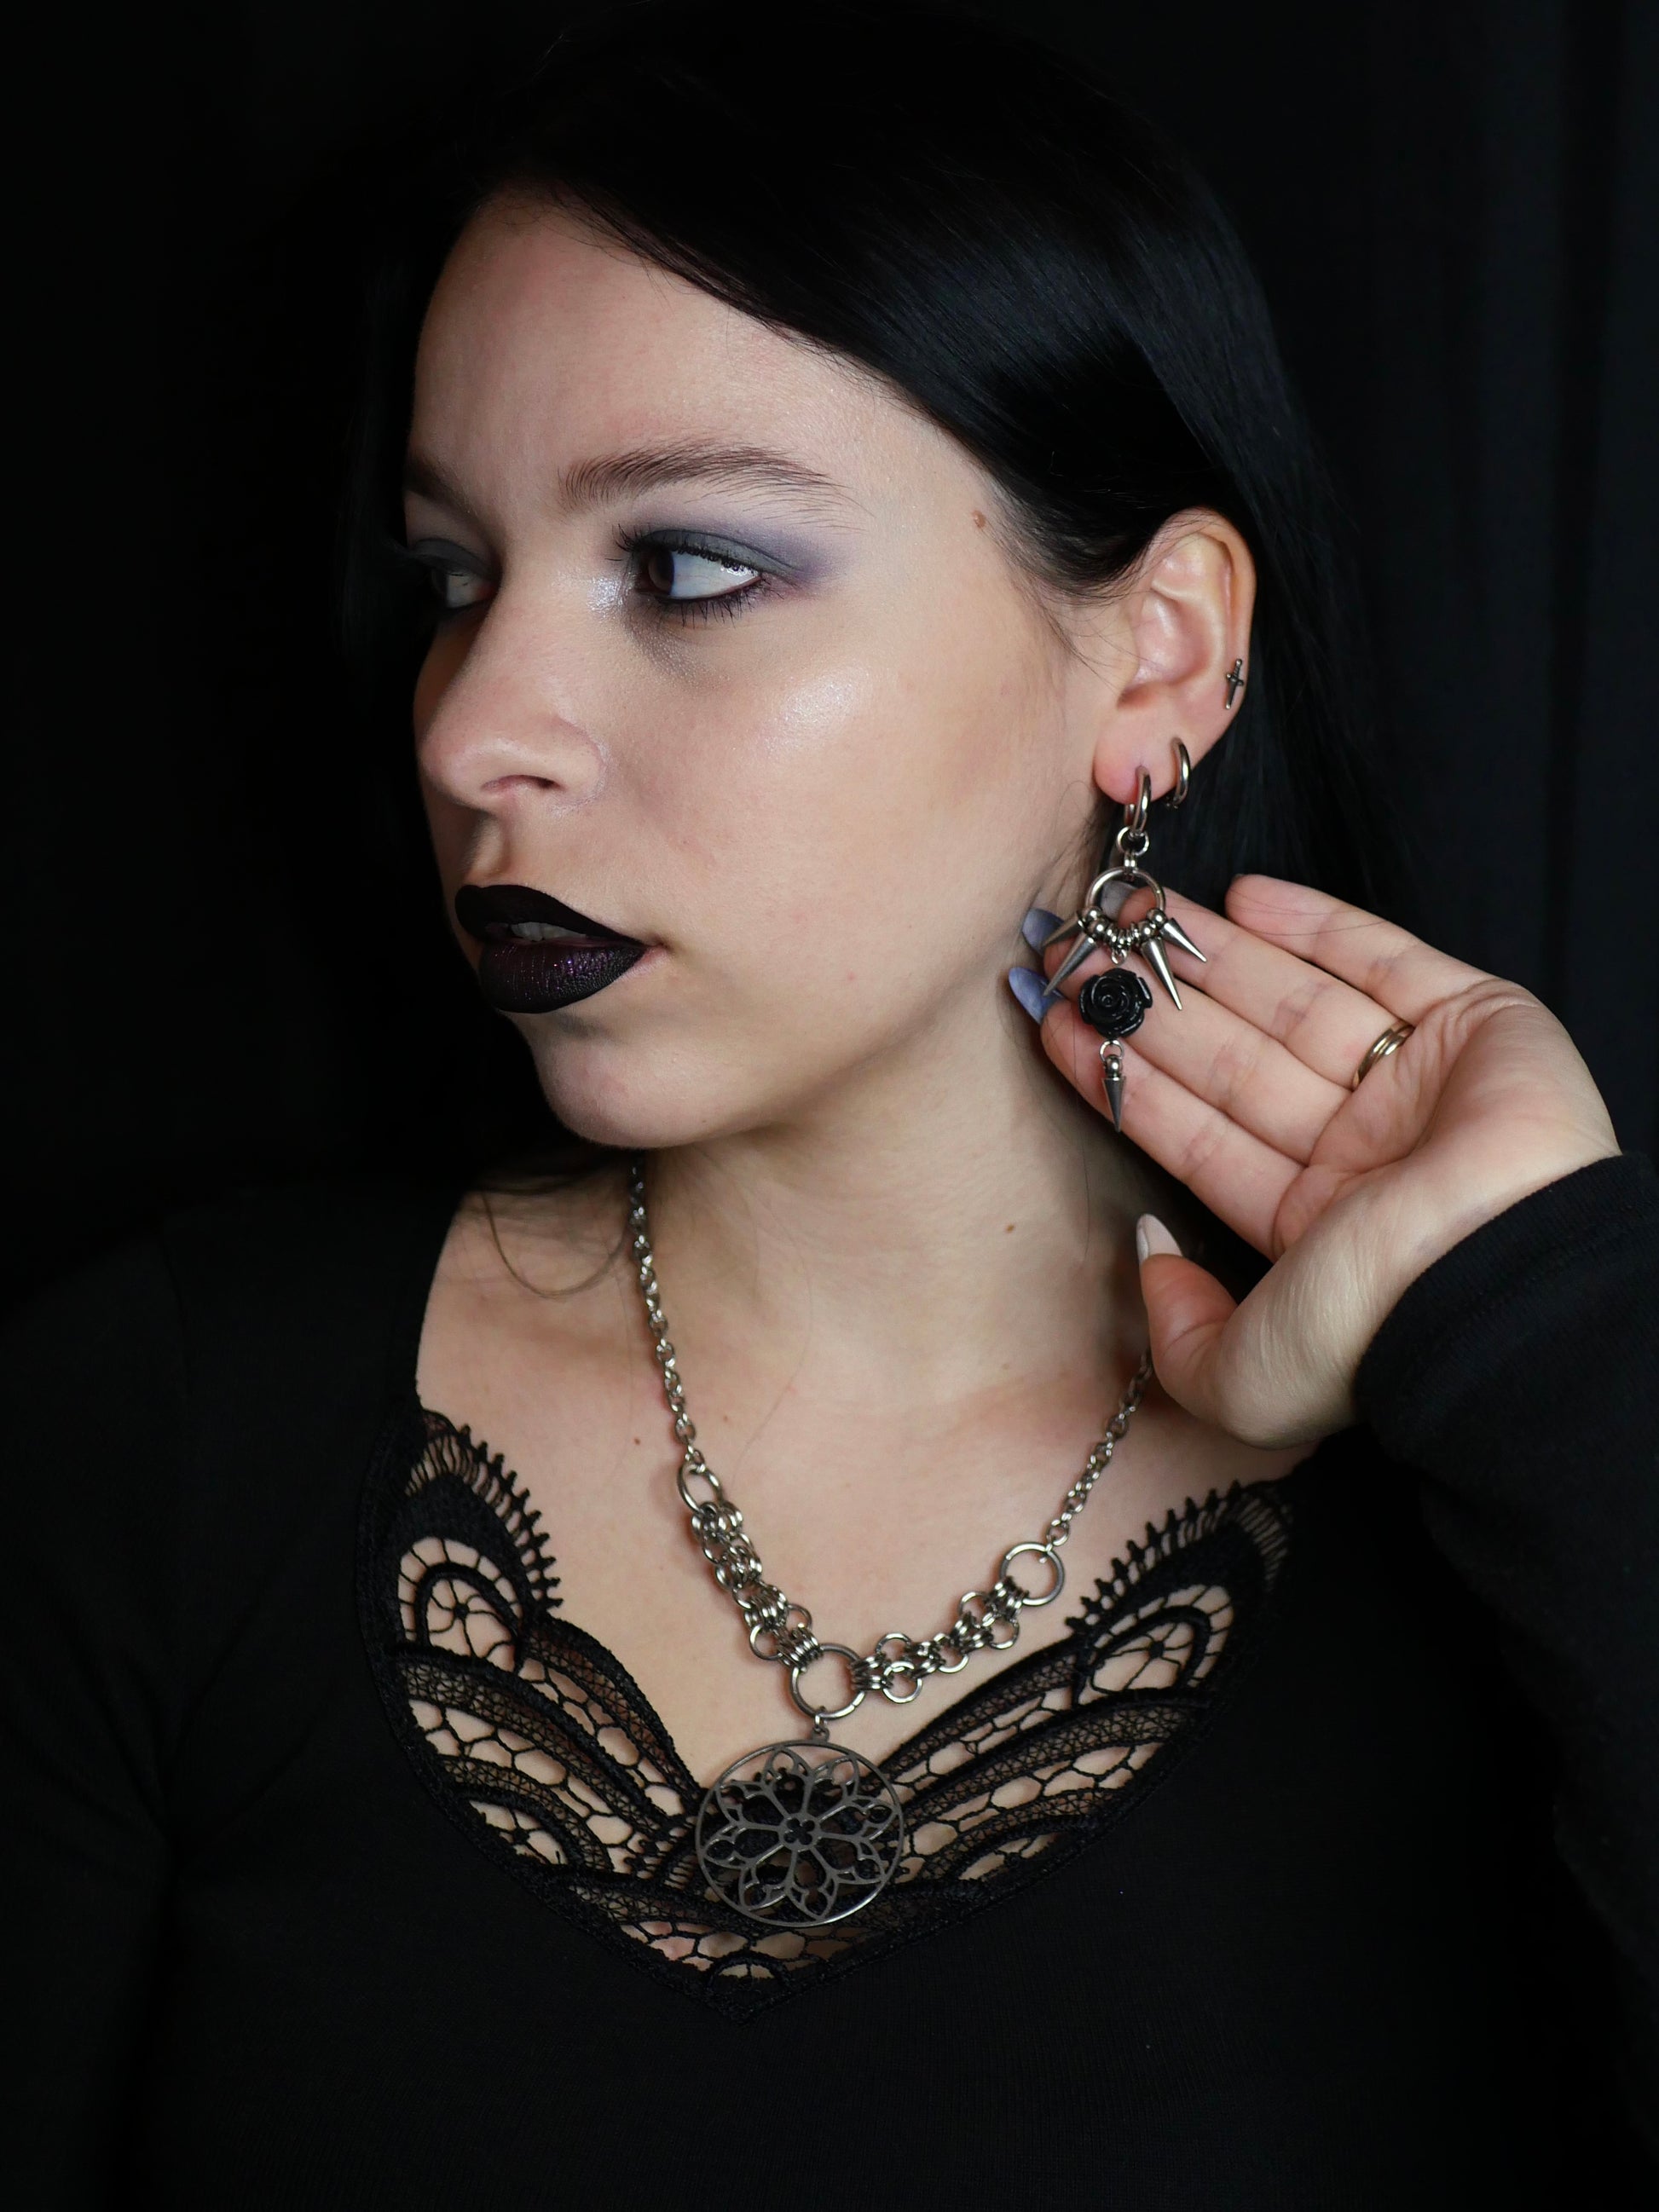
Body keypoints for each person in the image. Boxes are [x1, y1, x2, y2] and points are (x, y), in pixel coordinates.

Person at [6, 4, 1655, 2202]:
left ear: (1157, 654)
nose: (474, 729)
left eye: (690, 569)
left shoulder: (1517, 1522)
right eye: (452, 581)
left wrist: (1547, 1328)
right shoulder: (161, 1436)